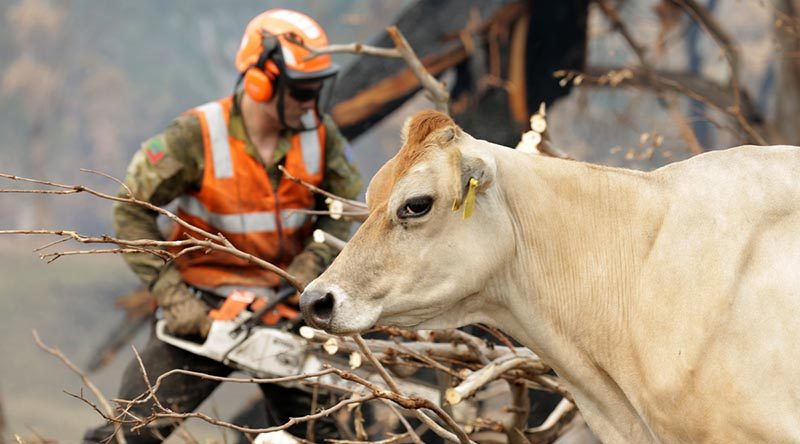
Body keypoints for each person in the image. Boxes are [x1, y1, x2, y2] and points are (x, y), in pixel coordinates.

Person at [84, 9, 362, 443]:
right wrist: (173, 298)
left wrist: (315, 262)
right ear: (261, 80)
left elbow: (344, 211)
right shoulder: (196, 135)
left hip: (285, 314)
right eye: (302, 90)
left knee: (326, 437)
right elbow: (130, 208)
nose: (311, 103)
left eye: (316, 89)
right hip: (203, 313)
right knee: (132, 434)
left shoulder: (321, 138)